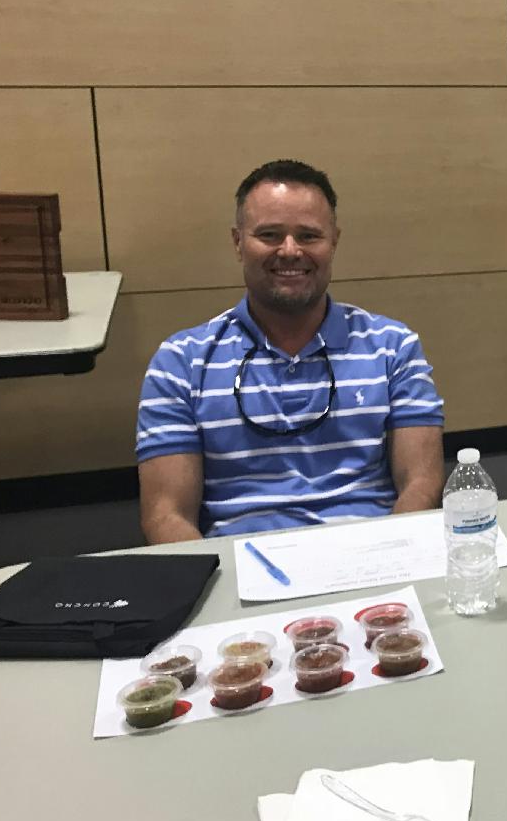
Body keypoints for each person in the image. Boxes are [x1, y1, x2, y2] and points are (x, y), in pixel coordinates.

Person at [136, 159, 446, 542]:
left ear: (334, 242)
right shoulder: (180, 362)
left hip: (371, 558)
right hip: (243, 572)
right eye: (269, 234)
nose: (289, 251)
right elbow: (167, 515)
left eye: (308, 236)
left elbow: (422, 484)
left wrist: (392, 556)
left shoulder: (393, 347)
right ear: (237, 242)